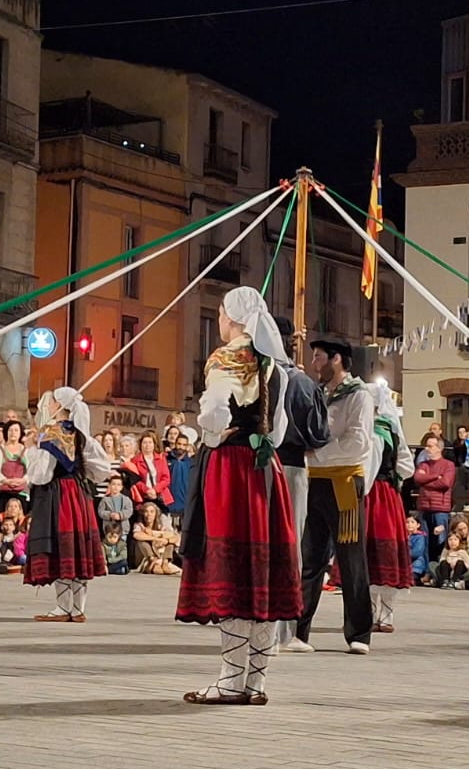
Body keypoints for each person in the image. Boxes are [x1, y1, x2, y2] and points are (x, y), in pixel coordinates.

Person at [176, 287, 301, 706]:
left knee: (231, 570)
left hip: (230, 471)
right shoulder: (277, 367)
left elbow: (213, 412)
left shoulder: (225, 359)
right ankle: (256, 682)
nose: (221, 321)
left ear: (233, 317)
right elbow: (278, 430)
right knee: (260, 574)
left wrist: (211, 434)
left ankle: (230, 680)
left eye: (222, 314)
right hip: (266, 471)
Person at [289, 336, 374, 656]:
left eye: (320, 357)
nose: (315, 364)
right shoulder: (319, 393)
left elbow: (358, 442)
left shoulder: (359, 395)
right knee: (310, 557)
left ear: (337, 359)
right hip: (316, 481)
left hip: (344, 482)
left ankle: (359, 633)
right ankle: (299, 630)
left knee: (351, 559)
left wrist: (316, 453)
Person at [22, 386, 111, 622]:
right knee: (76, 547)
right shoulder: (81, 434)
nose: (46, 405)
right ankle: (78, 609)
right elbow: (102, 469)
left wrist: (32, 448)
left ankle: (63, 608)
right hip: (79, 494)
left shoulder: (51, 435)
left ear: (59, 406)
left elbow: (41, 475)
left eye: (50, 402)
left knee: (61, 548)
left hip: (57, 495)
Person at [270, 314, 329, 647]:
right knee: (291, 549)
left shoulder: (253, 375)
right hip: (293, 470)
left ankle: (263, 628)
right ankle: (284, 631)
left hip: (260, 468)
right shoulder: (303, 383)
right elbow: (318, 433)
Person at [364, 381, 416, 633]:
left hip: (372, 493)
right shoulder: (392, 430)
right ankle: (384, 615)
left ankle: (378, 614)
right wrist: (395, 479)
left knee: (375, 550)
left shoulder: (371, 430)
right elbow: (407, 466)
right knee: (380, 551)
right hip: (387, 494)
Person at [412, 435, 456, 560]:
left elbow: (446, 483)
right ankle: (426, 571)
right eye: (426, 446)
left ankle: (439, 569)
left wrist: (426, 481)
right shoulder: (423, 464)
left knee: (441, 541)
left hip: (440, 509)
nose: (427, 449)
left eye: (430, 446)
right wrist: (436, 476)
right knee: (425, 542)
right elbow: (418, 479)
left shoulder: (449, 465)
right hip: (424, 507)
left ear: (439, 448)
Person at [131, 500, 182, 574]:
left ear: (156, 514)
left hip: (161, 554)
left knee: (171, 543)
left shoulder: (161, 526)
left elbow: (174, 536)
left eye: (152, 512)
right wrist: (155, 538)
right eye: (146, 511)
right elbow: (136, 535)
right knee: (142, 542)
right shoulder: (139, 525)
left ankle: (165, 562)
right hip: (146, 557)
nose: (149, 514)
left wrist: (166, 540)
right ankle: (153, 561)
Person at [0, 420, 30, 510]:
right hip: (2, 491)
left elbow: (31, 469)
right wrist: (6, 481)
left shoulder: (27, 450)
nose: (13, 433)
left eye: (16, 430)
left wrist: (23, 480)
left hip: (22, 491)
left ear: (20, 433)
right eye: (10, 430)